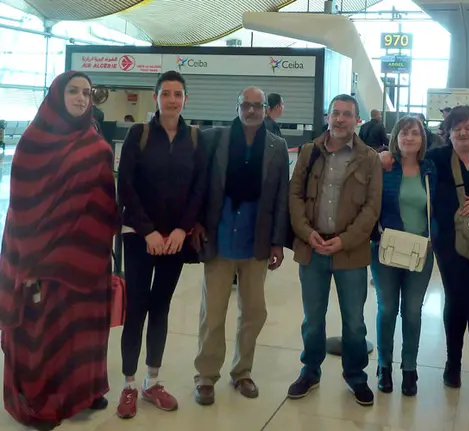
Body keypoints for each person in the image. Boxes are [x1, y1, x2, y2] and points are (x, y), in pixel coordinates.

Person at [0, 71, 119, 431]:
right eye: (74, 91)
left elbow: (104, 206)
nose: (82, 98)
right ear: (57, 94)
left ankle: (83, 393)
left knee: (82, 332)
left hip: (84, 263)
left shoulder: (96, 146)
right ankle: (40, 401)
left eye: (87, 93)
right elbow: (22, 206)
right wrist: (32, 258)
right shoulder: (32, 143)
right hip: (41, 262)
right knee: (42, 334)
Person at [381, 105, 469, 397]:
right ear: (447, 132)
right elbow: (408, 164)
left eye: (468, 127)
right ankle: (452, 365)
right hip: (449, 244)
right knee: (455, 301)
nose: (463, 132)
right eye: (456, 128)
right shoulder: (436, 158)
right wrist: (383, 156)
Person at [116, 70, 208, 419]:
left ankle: (152, 381)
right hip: (141, 238)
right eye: (166, 93)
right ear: (156, 98)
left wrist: (182, 230)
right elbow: (126, 186)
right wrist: (148, 232)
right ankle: (128, 385)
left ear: (185, 99)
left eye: (178, 94)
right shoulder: (138, 135)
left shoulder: (195, 139)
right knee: (136, 308)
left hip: (176, 242)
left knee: (161, 308)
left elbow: (199, 187)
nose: (172, 99)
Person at [192, 87, 290, 405]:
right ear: (237, 106)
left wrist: (277, 241)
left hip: (255, 240)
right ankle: (206, 376)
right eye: (245, 105)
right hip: (219, 238)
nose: (251, 110)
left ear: (265, 109)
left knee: (254, 312)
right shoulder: (214, 139)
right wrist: (196, 222)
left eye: (257, 105)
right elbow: (199, 185)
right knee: (214, 313)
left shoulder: (277, 146)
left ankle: (242, 371)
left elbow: (280, 199)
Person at [287, 94, 383, 406]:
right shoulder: (309, 151)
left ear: (358, 120)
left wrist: (346, 240)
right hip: (312, 248)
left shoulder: (369, 158)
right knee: (312, 317)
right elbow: (295, 195)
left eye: (347, 114)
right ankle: (310, 370)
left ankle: (356, 376)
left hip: (351, 252)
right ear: (328, 116)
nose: (340, 119)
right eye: (335, 113)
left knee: (354, 321)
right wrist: (306, 232)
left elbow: (372, 208)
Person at [370, 116, 437, 396]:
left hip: (420, 251)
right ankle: (384, 365)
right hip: (386, 247)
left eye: (415, 133)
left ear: (422, 139)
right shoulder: (384, 167)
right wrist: (379, 154)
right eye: (404, 133)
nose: (409, 138)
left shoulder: (430, 169)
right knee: (387, 309)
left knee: (412, 310)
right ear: (395, 137)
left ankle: (409, 367)